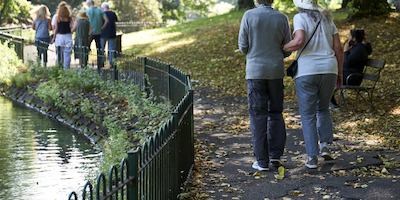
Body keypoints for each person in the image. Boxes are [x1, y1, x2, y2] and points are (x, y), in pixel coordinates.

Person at [283, 0, 344, 169]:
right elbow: (338, 48)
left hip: (307, 71)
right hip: (329, 69)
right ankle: (325, 146)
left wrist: (282, 47)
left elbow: (298, 41)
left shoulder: (299, 17)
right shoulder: (328, 20)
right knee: (323, 108)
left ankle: (312, 157)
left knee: (308, 114)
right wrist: (340, 72)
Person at [238, 0, 291, 171]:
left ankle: (262, 161)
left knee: (258, 115)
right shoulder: (281, 18)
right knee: (276, 113)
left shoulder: (248, 16)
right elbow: (288, 48)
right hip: (275, 71)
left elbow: (243, 46)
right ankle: (275, 157)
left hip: (255, 72)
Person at [330, 29, 372, 106]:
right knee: (328, 76)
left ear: (354, 38)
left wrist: (345, 51)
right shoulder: (356, 48)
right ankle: (330, 100)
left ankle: (331, 101)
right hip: (349, 74)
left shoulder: (359, 49)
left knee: (330, 77)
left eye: (349, 36)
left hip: (353, 78)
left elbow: (346, 62)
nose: (348, 38)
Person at [86, 0, 109, 69]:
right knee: (99, 49)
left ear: (89, 4)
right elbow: (107, 20)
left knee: (86, 48)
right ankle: (100, 65)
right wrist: (102, 28)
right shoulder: (100, 10)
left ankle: (84, 63)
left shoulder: (87, 11)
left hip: (90, 33)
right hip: (99, 32)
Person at [52, 3, 74, 69]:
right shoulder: (69, 18)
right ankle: (66, 69)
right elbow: (72, 26)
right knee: (67, 54)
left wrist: (53, 37)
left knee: (59, 54)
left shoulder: (57, 17)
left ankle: (59, 68)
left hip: (59, 37)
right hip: (68, 36)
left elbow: (55, 28)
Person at [100, 2, 118, 66]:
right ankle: (111, 63)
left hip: (103, 34)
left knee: (101, 49)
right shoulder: (113, 13)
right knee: (111, 49)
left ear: (103, 8)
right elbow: (116, 21)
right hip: (112, 33)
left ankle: (101, 62)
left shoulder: (101, 14)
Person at [51, 1, 68, 66]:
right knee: (65, 53)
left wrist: (54, 37)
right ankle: (64, 66)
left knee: (58, 52)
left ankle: (59, 65)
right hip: (66, 36)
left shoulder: (56, 16)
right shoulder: (68, 17)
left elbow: (53, 27)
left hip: (58, 36)